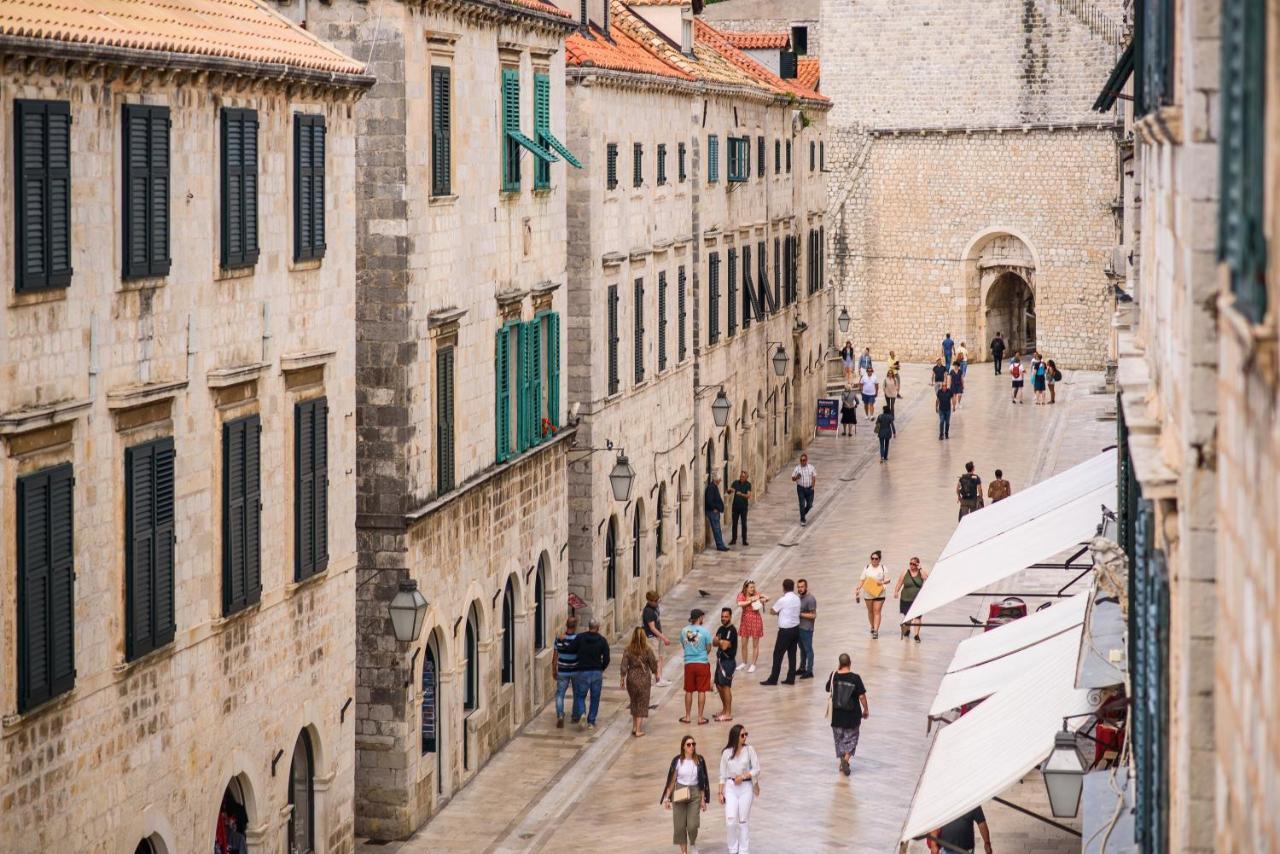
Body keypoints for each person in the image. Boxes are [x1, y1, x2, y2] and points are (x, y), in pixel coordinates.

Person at [661, 735, 710, 854]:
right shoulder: (677, 761)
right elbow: (672, 781)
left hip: (694, 793)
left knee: (693, 825)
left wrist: (703, 799)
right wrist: (667, 798)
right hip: (680, 792)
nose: (691, 747)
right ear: (683, 747)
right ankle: (684, 852)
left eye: (693, 744)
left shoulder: (699, 760)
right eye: (688, 744)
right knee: (679, 826)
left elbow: (702, 781)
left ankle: (693, 843)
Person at [717, 724, 760, 854]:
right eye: (742, 735)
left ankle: (743, 850)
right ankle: (733, 848)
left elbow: (756, 769)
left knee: (743, 820)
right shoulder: (726, 753)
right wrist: (720, 792)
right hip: (731, 787)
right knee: (730, 820)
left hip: (745, 786)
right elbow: (722, 774)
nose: (745, 737)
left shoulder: (749, 750)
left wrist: (743, 776)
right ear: (735, 736)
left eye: (746, 734)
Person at [824, 654, 869, 776]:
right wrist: (866, 709)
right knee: (852, 739)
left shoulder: (834, 675)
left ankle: (842, 761)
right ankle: (846, 759)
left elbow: (828, 689)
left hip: (837, 715)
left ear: (839, 663)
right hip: (852, 716)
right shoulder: (855, 678)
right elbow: (861, 696)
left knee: (839, 740)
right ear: (850, 663)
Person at [760, 578, 801, 685]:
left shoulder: (782, 600)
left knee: (777, 654)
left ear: (783, 588)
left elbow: (773, 611)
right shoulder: (797, 599)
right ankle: (791, 678)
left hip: (785, 631)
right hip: (795, 629)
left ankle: (773, 678)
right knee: (792, 654)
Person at [621, 627, 659, 736]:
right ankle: (638, 730)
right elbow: (653, 664)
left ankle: (634, 727)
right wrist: (656, 674)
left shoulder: (628, 650)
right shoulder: (647, 650)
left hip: (631, 679)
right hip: (644, 679)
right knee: (642, 704)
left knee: (634, 702)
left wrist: (622, 678)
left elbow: (624, 665)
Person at [678, 609, 714, 725]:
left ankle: (688, 716)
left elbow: (684, 645)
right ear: (700, 618)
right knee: (701, 690)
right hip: (702, 663)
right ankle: (700, 717)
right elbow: (709, 647)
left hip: (689, 663)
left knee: (688, 690)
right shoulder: (705, 631)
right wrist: (702, 654)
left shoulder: (684, 631)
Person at [573, 618, 610, 730]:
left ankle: (582, 713)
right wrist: (601, 668)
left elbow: (572, 649)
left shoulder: (580, 638)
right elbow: (607, 658)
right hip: (596, 672)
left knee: (580, 695)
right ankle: (591, 722)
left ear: (588, 626)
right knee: (595, 698)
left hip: (583, 671)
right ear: (598, 628)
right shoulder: (602, 640)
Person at [928, 805, 993, 854]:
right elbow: (936, 825)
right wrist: (933, 845)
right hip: (946, 849)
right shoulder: (943, 802)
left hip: (966, 850)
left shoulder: (973, 801)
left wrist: (987, 843)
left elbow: (981, 824)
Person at [855, 551, 891, 638]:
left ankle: (876, 631)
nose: (874, 560)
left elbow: (888, 580)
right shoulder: (867, 567)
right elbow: (862, 580)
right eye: (872, 558)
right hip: (868, 593)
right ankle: (872, 626)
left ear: (879, 559)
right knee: (870, 611)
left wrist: (881, 582)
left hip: (880, 593)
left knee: (877, 611)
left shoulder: (883, 568)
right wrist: (858, 588)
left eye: (876, 558)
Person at [552, 615, 580, 728]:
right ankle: (575, 716)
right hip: (575, 670)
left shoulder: (558, 639)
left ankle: (560, 715)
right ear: (575, 626)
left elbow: (555, 657)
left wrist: (554, 670)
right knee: (577, 694)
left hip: (562, 670)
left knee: (560, 694)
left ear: (566, 625)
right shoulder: (578, 639)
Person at [735, 580, 768, 673]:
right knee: (743, 644)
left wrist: (760, 598)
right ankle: (744, 662)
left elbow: (767, 597)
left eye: (753, 587)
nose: (753, 589)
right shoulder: (741, 595)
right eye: (751, 587)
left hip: (755, 620)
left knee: (755, 644)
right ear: (746, 588)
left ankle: (753, 664)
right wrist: (751, 600)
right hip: (745, 620)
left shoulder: (756, 594)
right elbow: (739, 603)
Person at [893, 557, 928, 641]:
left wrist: (921, 569)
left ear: (917, 564)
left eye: (913, 564)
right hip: (906, 598)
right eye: (910, 563)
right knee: (908, 617)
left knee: (917, 617)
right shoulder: (905, 572)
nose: (911, 565)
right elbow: (899, 582)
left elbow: (927, 579)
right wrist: (896, 591)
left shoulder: (921, 572)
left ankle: (916, 635)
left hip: (918, 599)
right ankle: (908, 629)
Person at [713, 608, 739, 721]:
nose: (723, 618)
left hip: (728, 662)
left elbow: (723, 645)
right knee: (719, 685)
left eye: (726, 616)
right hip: (720, 660)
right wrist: (720, 642)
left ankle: (728, 713)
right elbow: (714, 642)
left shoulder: (731, 630)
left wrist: (719, 642)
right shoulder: (721, 629)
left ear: (730, 617)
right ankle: (724, 709)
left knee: (726, 687)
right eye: (722, 616)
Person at [643, 590, 672, 687]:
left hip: (658, 636)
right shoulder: (648, 611)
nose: (657, 602)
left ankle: (659, 677)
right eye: (655, 601)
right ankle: (655, 679)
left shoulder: (655, 607)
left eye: (657, 600)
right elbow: (652, 628)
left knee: (660, 657)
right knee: (654, 659)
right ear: (649, 601)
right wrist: (664, 638)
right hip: (651, 638)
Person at [796, 579, 818, 678]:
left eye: (802, 587)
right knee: (802, 649)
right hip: (799, 627)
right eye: (798, 587)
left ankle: (809, 670)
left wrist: (800, 614)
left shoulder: (810, 599)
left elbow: (813, 615)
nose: (800, 589)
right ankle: (802, 667)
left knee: (808, 649)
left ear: (806, 587)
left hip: (807, 628)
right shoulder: (799, 598)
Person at [704, 474, 730, 551]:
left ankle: (721, 545)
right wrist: (714, 508)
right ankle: (720, 546)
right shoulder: (711, 488)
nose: (720, 481)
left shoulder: (714, 487)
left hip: (714, 512)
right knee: (716, 529)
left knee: (718, 529)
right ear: (716, 480)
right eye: (719, 479)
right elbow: (709, 500)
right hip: (712, 512)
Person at [727, 469, 752, 546]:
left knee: (744, 524)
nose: (741, 478)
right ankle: (734, 539)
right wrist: (729, 490)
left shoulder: (748, 484)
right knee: (734, 524)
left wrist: (741, 494)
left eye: (743, 477)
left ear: (746, 477)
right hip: (735, 507)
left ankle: (744, 540)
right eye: (741, 476)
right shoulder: (735, 483)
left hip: (743, 508)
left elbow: (748, 496)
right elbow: (729, 492)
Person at [791, 454, 817, 526]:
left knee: (809, 505)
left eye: (804, 460)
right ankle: (803, 519)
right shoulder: (797, 468)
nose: (802, 462)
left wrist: (813, 486)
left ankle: (803, 513)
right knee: (802, 504)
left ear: (806, 460)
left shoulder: (811, 467)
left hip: (809, 489)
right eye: (801, 460)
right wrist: (796, 477)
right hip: (801, 488)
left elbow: (814, 476)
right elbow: (792, 478)